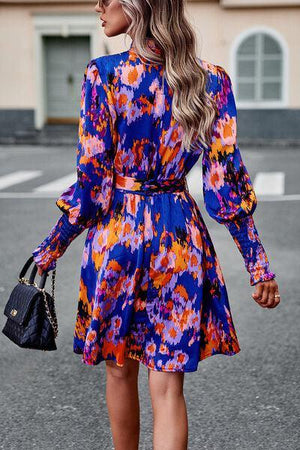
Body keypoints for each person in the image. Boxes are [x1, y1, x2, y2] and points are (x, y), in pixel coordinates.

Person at [32, 1, 281, 449]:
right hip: (179, 237)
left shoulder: (102, 75)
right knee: (168, 387)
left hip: (116, 238)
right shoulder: (210, 80)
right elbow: (225, 183)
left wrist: (51, 247)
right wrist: (258, 264)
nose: (98, 6)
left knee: (119, 369)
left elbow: (91, 189)